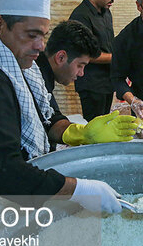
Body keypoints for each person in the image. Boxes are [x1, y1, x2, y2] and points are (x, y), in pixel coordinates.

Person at [0, 0, 137, 212]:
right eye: (32, 35)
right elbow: (5, 172)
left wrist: (79, 133)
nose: (42, 46)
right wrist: (79, 189)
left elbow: (46, 116)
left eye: (42, 35)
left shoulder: (17, 65)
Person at [34, 19, 101, 151]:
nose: (81, 73)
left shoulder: (44, 75)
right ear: (60, 57)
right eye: (80, 66)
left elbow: (52, 119)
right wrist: (83, 133)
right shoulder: (35, 76)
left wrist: (82, 132)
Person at [69, 0, 118, 120]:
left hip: (107, 81)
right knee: (95, 129)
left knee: (106, 124)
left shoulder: (106, 12)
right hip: (92, 84)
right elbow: (85, 55)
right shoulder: (80, 16)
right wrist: (118, 57)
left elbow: (109, 42)